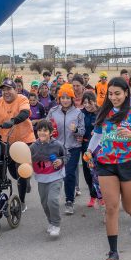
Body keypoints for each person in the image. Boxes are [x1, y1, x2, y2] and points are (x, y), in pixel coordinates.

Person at [85, 77, 131, 260]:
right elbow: (98, 135)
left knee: (128, 206)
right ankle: (113, 253)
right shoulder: (104, 112)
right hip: (106, 164)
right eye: (111, 93)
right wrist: (90, 151)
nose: (114, 97)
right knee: (111, 207)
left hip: (128, 164)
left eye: (118, 93)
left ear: (126, 93)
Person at [0, 78, 35, 206]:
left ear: (16, 90)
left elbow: (25, 113)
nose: (6, 92)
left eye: (9, 89)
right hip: (6, 141)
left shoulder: (22, 99)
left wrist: (13, 121)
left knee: (21, 170)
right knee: (13, 172)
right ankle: (25, 180)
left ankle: (21, 202)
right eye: (4, 90)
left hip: (24, 140)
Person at [47, 83, 85, 215]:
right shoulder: (53, 111)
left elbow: (82, 131)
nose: (65, 100)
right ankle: (53, 200)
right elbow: (46, 127)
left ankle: (69, 201)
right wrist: (48, 133)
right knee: (55, 174)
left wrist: (76, 131)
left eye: (68, 97)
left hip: (73, 148)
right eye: (62, 97)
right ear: (59, 98)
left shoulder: (78, 112)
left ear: (72, 99)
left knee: (69, 174)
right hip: (56, 148)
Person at [31, 119, 67, 237]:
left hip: (56, 176)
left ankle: (56, 224)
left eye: (45, 130)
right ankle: (51, 222)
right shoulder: (33, 147)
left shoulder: (57, 144)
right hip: (41, 178)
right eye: (39, 130)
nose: (42, 133)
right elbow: (26, 160)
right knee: (45, 203)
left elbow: (66, 155)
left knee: (52, 200)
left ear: (51, 132)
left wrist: (60, 160)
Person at [80, 91, 101, 207]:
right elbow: (78, 128)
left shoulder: (101, 112)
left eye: (89, 102)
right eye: (85, 103)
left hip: (100, 148)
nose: (87, 105)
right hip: (86, 146)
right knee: (88, 172)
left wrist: (97, 132)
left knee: (99, 173)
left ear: (95, 101)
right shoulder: (81, 113)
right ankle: (93, 196)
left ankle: (101, 196)